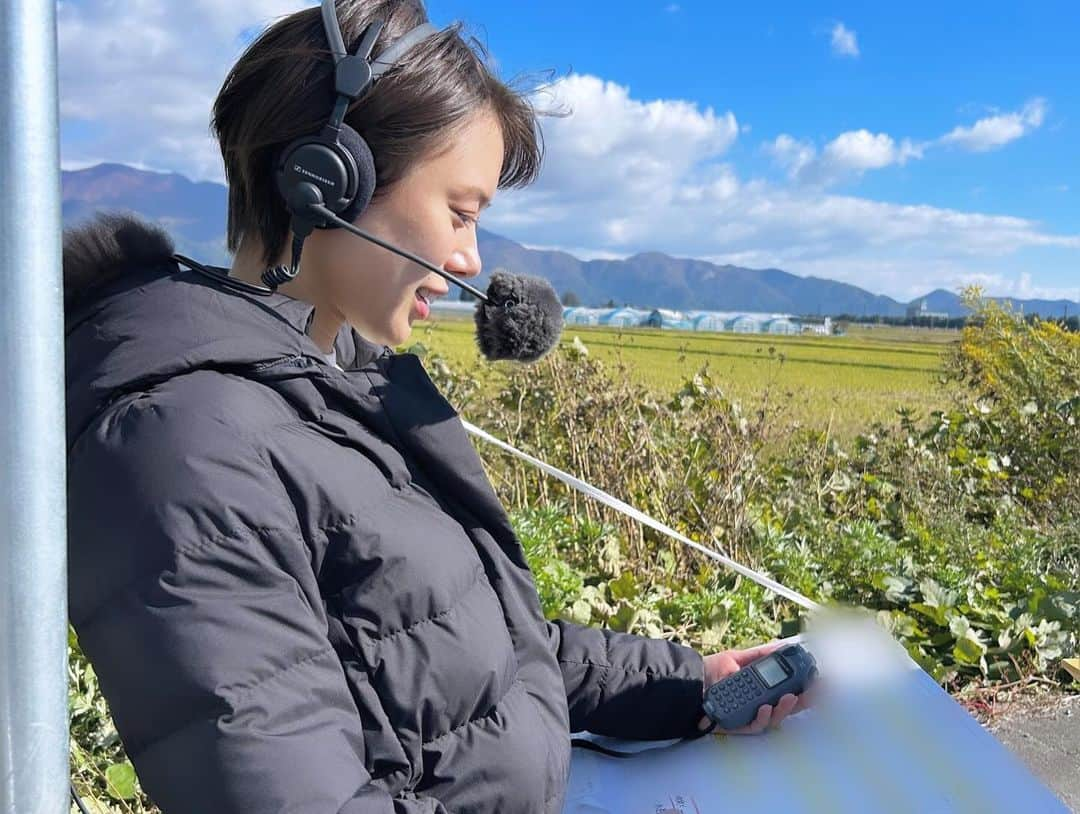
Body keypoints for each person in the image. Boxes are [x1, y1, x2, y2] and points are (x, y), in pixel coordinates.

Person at [63, 1, 807, 812]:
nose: (470, 259)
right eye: (460, 211)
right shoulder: (186, 444)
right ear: (327, 182)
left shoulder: (332, 390)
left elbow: (469, 647)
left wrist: (686, 682)